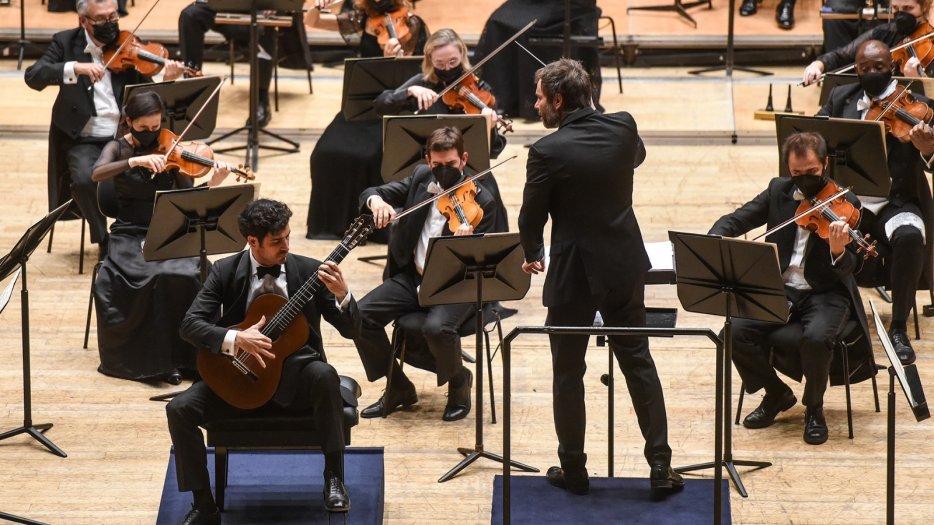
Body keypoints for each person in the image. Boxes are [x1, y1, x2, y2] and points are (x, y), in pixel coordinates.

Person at [517, 58, 681, 495]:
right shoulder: (624, 126)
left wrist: (533, 252)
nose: (535, 106)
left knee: (568, 373)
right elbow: (638, 156)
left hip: (573, 273)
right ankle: (661, 467)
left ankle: (573, 470)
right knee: (638, 362)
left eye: (539, 98)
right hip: (622, 264)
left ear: (557, 100)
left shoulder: (547, 151)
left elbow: (530, 217)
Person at [166, 199, 357, 524]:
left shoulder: (310, 270)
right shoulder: (225, 270)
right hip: (238, 376)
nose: (286, 245)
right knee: (178, 409)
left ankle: (334, 479)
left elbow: (352, 330)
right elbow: (190, 326)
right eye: (276, 241)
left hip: (296, 377)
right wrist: (236, 339)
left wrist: (343, 295)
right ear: (252, 242)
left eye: (287, 237)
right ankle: (204, 504)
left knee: (325, 374)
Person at [709, 132, 874, 445]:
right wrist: (715, 239)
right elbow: (737, 219)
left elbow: (856, 265)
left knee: (816, 338)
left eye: (812, 173)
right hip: (781, 287)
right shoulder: (778, 190)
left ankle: (814, 409)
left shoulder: (846, 203)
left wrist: (838, 250)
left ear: (825, 164)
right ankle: (776, 394)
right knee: (732, 332)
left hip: (826, 291)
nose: (804, 181)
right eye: (797, 174)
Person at [352, 127, 504, 422]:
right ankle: (398, 387)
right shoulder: (422, 178)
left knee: (436, 329)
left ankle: (459, 381)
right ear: (427, 160)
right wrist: (378, 203)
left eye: (450, 165)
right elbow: (371, 192)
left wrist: (466, 243)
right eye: (437, 165)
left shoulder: (483, 201)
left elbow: (481, 264)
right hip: (413, 278)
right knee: (360, 315)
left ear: (463, 159)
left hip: (454, 285)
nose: (443, 171)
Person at [89, 90, 231, 383]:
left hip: (170, 228)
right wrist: (134, 162)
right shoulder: (118, 148)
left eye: (156, 128)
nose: (151, 136)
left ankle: (190, 359)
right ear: (129, 122)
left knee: (192, 271)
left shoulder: (172, 148)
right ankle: (154, 363)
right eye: (143, 129)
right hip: (129, 232)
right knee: (147, 277)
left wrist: (212, 184)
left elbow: (188, 196)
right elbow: (97, 173)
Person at [24, 0, 182, 259]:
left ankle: (143, 231)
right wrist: (75, 67)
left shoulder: (128, 44)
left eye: (114, 17)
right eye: (101, 19)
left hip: (125, 137)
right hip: (82, 138)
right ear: (83, 20)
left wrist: (167, 79)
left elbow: (147, 96)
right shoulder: (65, 43)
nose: (110, 24)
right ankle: (104, 239)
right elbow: (34, 75)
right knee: (86, 180)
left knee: (159, 172)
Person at [818, 39, 934, 365]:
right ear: (856, 70)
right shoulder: (841, 98)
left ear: (891, 67)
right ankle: (821, 313)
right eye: (864, 68)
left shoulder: (920, 105)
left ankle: (898, 328)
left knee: (911, 234)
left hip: (894, 203)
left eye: (878, 67)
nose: (871, 73)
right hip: (847, 202)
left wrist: (927, 149)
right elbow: (814, 137)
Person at [304, 0, 429, 241]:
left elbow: (420, 72)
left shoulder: (413, 25)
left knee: (371, 156)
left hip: (397, 106)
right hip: (363, 106)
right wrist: (318, 6)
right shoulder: (361, 19)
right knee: (324, 153)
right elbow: (311, 22)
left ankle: (376, 224)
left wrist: (394, 59)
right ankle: (335, 225)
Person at [373, 28, 509, 231]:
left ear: (462, 54)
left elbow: (494, 152)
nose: (447, 69)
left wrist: (489, 129)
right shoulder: (422, 83)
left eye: (453, 62)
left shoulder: (480, 90)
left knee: (490, 200)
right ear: (430, 60)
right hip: (427, 169)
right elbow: (380, 104)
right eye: (440, 64)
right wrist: (410, 91)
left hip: (467, 172)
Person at [177, 1, 304, 128]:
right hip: (226, 6)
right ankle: (192, 92)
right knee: (190, 15)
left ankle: (261, 98)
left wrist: (276, 7)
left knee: (263, 25)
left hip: (261, 8)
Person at [473, 0, 603, 121]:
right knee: (496, 21)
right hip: (536, 2)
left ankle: (530, 102)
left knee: (523, 28)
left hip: (569, 5)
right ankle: (503, 100)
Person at [803, 0, 932, 85]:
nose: (901, 14)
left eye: (908, 8)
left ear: (924, 7)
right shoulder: (885, 32)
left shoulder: (930, 41)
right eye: (895, 8)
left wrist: (920, 82)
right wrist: (818, 65)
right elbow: (842, 55)